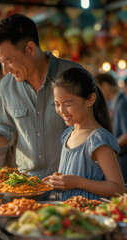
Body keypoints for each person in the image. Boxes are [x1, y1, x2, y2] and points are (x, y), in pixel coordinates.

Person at [0, 14, 82, 179]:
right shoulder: (6, 85)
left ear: (30, 48)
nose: (5, 70)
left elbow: (97, 131)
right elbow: (5, 128)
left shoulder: (74, 76)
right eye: (1, 62)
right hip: (27, 185)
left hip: (71, 183)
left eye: (8, 60)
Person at [43, 68, 124, 200]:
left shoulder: (98, 139)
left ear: (90, 100)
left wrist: (77, 182)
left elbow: (118, 188)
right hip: (68, 214)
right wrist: (57, 181)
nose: (61, 110)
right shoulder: (68, 134)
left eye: (67, 104)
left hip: (91, 216)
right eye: (57, 104)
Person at [96, 73, 127, 184]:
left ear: (105, 86)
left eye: (98, 89)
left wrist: (109, 147)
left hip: (124, 158)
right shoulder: (113, 103)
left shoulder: (122, 103)